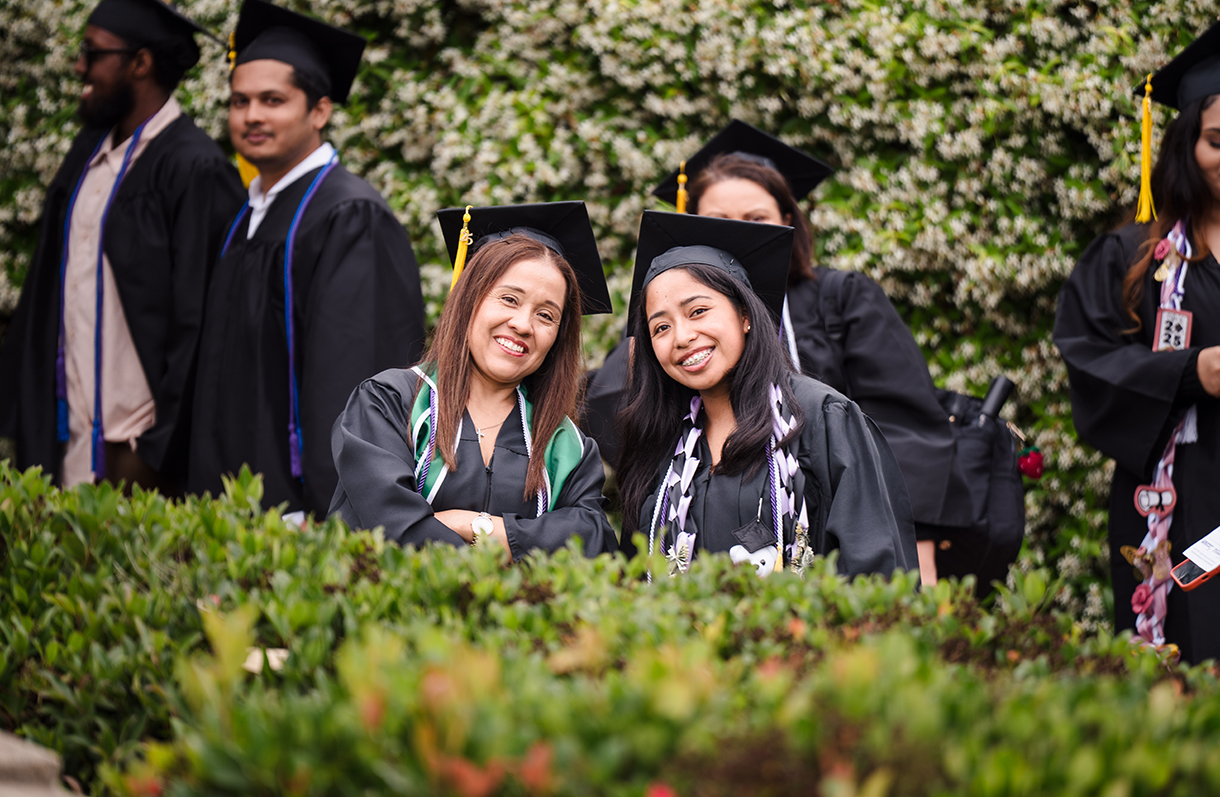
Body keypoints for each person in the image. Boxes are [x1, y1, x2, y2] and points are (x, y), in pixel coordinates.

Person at [588, 120, 967, 583]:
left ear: (786, 220)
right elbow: (618, 406)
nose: (683, 336)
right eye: (661, 327)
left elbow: (901, 429)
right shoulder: (674, 429)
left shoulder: (836, 322)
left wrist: (918, 541)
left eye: (755, 220)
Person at [188, 0, 426, 516]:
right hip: (229, 504)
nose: (252, 115)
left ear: (319, 110)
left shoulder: (349, 215)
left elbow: (353, 384)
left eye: (272, 100)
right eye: (239, 101)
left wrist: (328, 513)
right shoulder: (249, 215)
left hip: (299, 514)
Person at [0, 0, 246, 492]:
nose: (79, 65)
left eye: (93, 52)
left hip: (137, 453)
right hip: (64, 432)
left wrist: (158, 445)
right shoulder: (89, 150)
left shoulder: (192, 167)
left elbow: (200, 324)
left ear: (140, 63)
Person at [616, 210, 917, 577]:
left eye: (698, 311)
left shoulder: (821, 418)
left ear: (745, 314)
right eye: (660, 327)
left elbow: (876, 572)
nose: (681, 337)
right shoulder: (659, 443)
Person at [1054, 22, 1220, 664]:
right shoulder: (1132, 257)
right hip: (1179, 498)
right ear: (1185, 144)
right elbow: (1090, 358)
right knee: (1188, 650)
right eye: (1216, 141)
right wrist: (1192, 371)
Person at [329, 203, 618, 558]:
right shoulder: (389, 404)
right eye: (509, 299)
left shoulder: (566, 446)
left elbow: (593, 537)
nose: (523, 324)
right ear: (468, 300)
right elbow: (390, 526)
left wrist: (478, 526)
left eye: (546, 315)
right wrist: (518, 546)